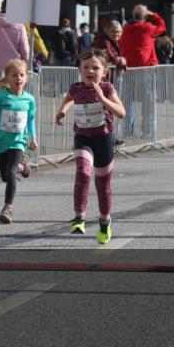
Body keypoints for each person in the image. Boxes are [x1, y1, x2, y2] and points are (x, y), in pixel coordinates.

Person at [54, 49, 126, 245]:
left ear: (105, 72)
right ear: (80, 70)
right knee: (83, 172)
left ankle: (105, 221)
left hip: (103, 140)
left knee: (103, 185)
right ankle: (79, 217)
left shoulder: (107, 88)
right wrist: (62, 111)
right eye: (86, 67)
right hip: (83, 138)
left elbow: (122, 112)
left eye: (95, 68)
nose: (90, 71)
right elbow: (69, 99)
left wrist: (103, 99)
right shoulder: (76, 88)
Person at [0, 59, 38, 224]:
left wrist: (33, 137)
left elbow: (31, 119)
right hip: (1, 142)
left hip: (18, 142)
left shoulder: (29, 99)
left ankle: (7, 208)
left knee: (11, 173)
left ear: (26, 78)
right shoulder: (0, 97)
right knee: (5, 176)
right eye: (14, 75)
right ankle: (22, 166)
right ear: (7, 78)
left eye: (21, 75)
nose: (18, 78)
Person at [118, 5, 165, 138]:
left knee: (128, 101)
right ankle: (147, 131)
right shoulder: (147, 28)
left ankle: (128, 130)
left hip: (128, 70)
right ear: (145, 16)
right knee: (148, 102)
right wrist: (153, 14)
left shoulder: (125, 29)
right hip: (145, 70)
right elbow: (162, 26)